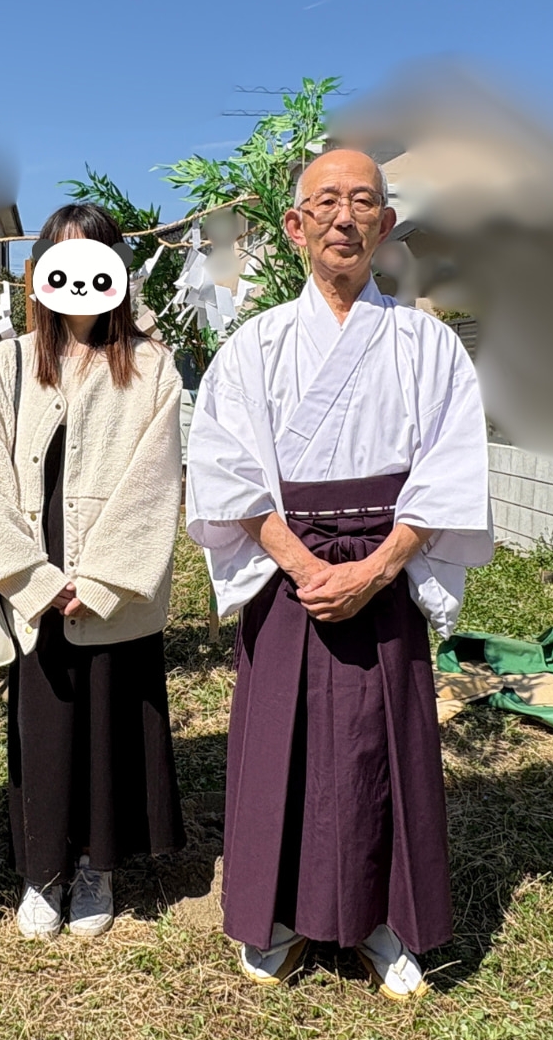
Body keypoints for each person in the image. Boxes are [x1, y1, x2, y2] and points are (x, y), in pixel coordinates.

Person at [185, 149, 493, 993]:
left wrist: (384, 564)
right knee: (281, 739)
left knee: (380, 743)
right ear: (295, 226)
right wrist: (299, 560)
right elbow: (223, 464)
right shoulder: (257, 345)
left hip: (386, 564)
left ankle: (387, 920)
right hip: (292, 567)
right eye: (325, 202)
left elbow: (451, 464)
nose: (344, 217)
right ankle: (277, 914)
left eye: (364, 202)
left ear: (386, 226)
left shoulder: (427, 344)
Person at [0, 203, 187, 939]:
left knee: (111, 717)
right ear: (40, 274)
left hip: (109, 580)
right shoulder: (6, 365)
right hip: (36, 571)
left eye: (95, 259)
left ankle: (98, 864)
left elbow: (155, 481)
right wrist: (33, 580)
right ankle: (42, 871)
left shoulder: (151, 366)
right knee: (46, 722)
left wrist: (99, 580)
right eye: (63, 258)